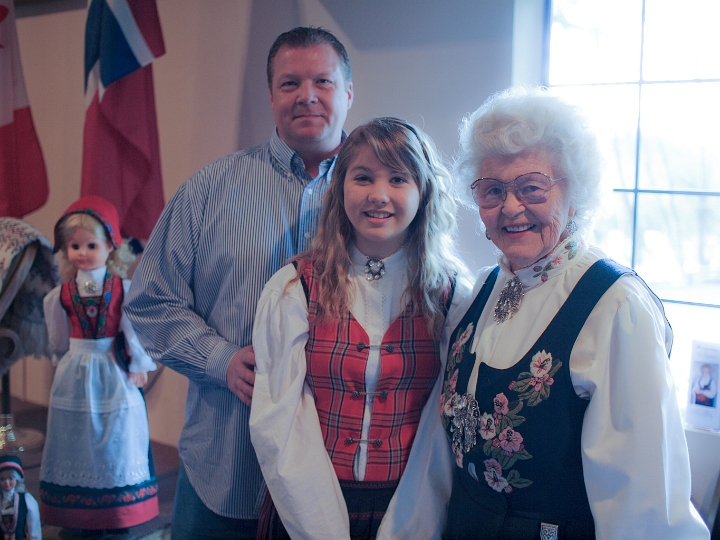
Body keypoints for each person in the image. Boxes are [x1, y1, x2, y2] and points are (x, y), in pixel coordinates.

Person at [437, 87, 709, 539]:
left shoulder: (616, 307)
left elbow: (643, 504)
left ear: (575, 192)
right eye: (492, 190)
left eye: (531, 187)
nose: (510, 207)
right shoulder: (483, 286)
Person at [125, 27, 354, 539]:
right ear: (271, 95)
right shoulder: (209, 189)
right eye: (290, 83)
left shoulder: (381, 193)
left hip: (340, 477)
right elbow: (150, 300)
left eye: (323, 80)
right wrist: (219, 359)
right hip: (226, 465)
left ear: (348, 93)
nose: (307, 95)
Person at [250, 117, 469, 540]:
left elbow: (440, 429)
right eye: (363, 177)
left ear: (423, 192)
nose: (379, 196)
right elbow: (278, 420)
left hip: (407, 507)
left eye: (398, 179)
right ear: (340, 188)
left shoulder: (453, 294)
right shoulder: (294, 286)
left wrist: (413, 524)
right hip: (307, 505)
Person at [40, 195, 159, 531]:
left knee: (117, 431)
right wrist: (61, 357)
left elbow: (130, 328)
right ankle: (76, 514)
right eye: (74, 245)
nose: (82, 252)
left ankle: (119, 510)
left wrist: (138, 362)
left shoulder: (122, 288)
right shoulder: (61, 294)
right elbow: (59, 336)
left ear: (111, 246)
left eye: (91, 244)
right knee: (74, 432)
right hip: (77, 367)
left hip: (112, 366)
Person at [0, 456, 41, 540]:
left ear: (17, 479)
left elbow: (34, 525)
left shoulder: (26, 499)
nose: (6, 482)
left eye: (11, 478)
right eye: (2, 479)